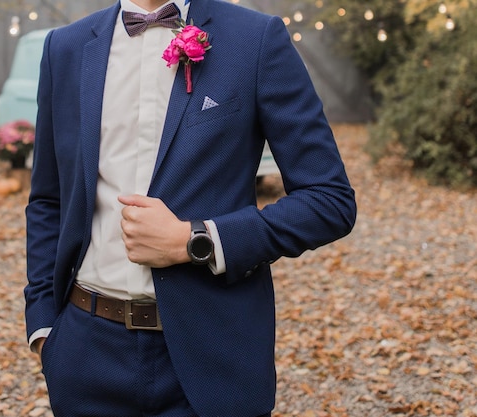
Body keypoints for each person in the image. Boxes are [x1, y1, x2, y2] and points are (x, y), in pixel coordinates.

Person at [24, 0, 357, 415]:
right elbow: (48, 199)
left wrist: (196, 240)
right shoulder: (65, 47)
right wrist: (43, 326)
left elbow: (329, 199)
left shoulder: (255, 39)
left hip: (213, 355)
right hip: (84, 354)